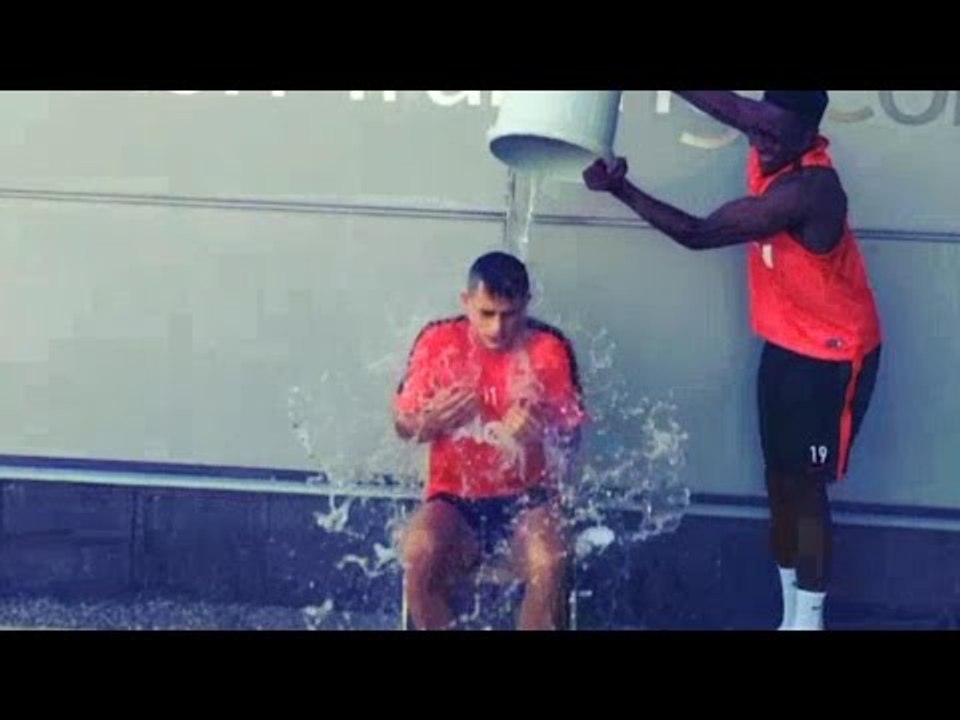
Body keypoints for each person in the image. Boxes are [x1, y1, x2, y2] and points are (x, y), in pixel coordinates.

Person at [583, 91, 882, 630]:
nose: (760, 141)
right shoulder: (774, 133)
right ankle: (789, 615)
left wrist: (620, 188)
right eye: (756, 127)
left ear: (807, 134)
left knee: (806, 487)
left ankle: (809, 622)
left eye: (773, 134)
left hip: (833, 360)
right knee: (778, 480)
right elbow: (727, 106)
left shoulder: (810, 191)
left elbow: (698, 234)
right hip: (786, 346)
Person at [394, 251, 586, 630]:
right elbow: (402, 425)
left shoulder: (548, 348)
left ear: (526, 304)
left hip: (528, 500)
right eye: (486, 313)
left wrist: (542, 428)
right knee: (418, 551)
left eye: (509, 314)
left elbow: (572, 438)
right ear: (466, 302)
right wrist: (429, 421)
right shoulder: (438, 342)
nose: (497, 328)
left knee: (549, 560)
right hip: (453, 500)